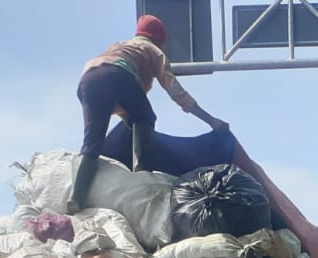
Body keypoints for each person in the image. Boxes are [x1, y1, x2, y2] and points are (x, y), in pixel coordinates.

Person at [72, 15, 230, 212]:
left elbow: (124, 102)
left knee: (92, 143)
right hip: (117, 74)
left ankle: (76, 198)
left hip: (88, 80)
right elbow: (176, 92)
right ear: (159, 40)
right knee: (147, 117)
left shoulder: (120, 46)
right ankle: (141, 169)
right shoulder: (153, 51)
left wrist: (130, 122)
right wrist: (211, 120)